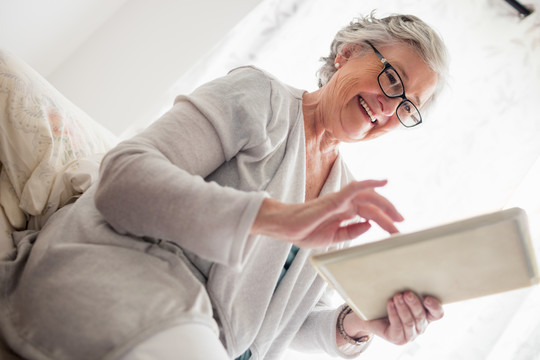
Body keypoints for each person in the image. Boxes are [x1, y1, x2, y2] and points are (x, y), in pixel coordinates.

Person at [0, 12, 449, 360]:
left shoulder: (342, 190)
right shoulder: (261, 100)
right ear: (347, 53)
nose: (390, 109)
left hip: (199, 340)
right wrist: (277, 218)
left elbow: (276, 320)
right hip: (125, 281)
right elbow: (124, 177)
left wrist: (362, 324)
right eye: (392, 80)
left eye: (408, 108)